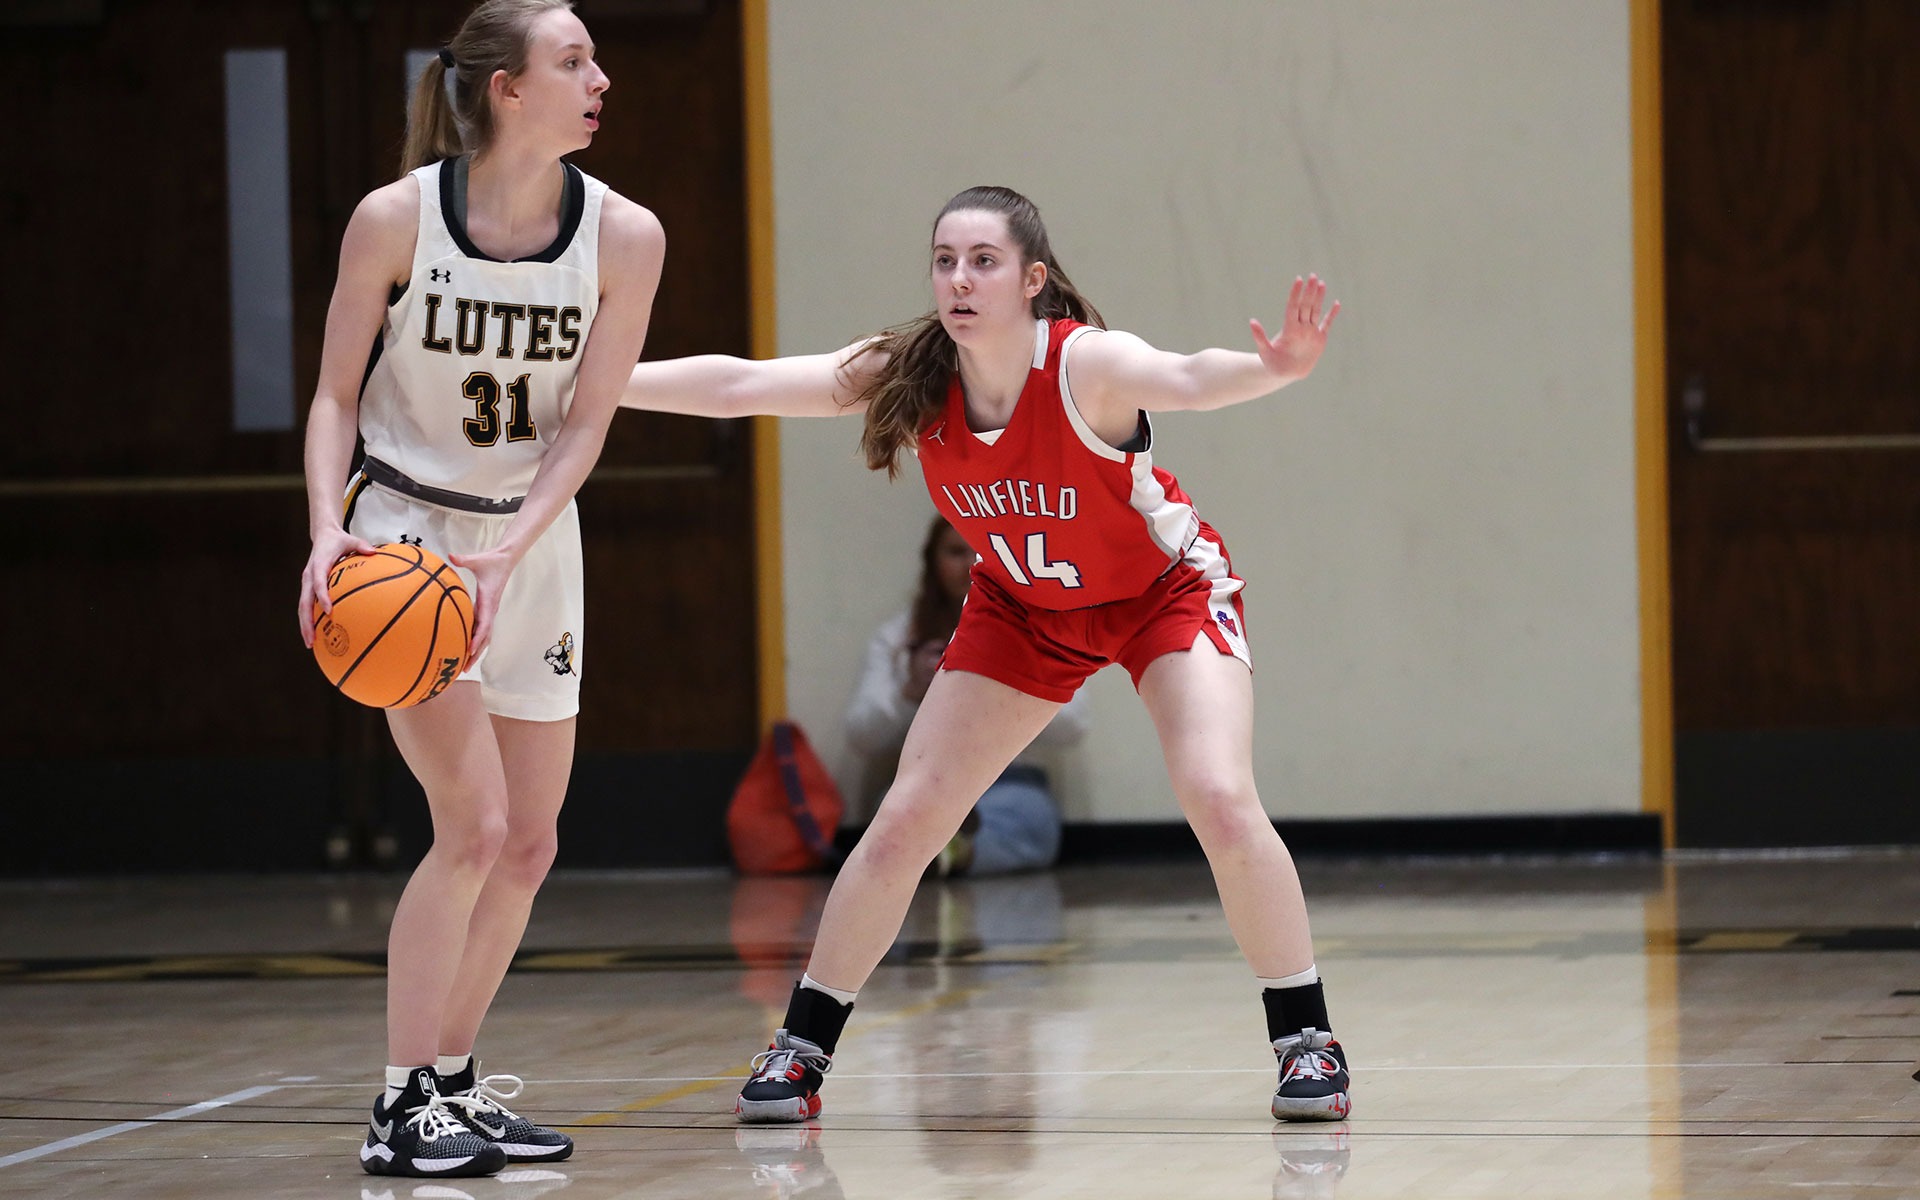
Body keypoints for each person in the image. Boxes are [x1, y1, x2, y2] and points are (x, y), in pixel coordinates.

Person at [619, 185, 1348, 1124]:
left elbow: (1192, 376)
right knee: (908, 816)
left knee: (1215, 791)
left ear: (1032, 280)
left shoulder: (1086, 364)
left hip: (1162, 592)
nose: (959, 279)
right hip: (1023, 608)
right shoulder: (913, 373)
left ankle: (1306, 1040)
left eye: (984, 261)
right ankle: (800, 1049)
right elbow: (744, 385)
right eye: (945, 261)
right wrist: (606, 380)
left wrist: (1276, 367)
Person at [297, 0, 664, 1177]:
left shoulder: (627, 236)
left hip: (533, 548)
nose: (599, 78)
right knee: (474, 826)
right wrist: (323, 534)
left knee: (531, 842)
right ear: (506, 88)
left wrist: (518, 546)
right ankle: (400, 1103)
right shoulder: (395, 218)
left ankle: (451, 1081)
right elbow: (335, 399)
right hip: (402, 542)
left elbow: (591, 419)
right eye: (573, 61)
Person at [846, 514, 1089, 877]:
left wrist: (1011, 681)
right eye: (955, 552)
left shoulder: (1035, 627)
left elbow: (1075, 725)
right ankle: (946, 852)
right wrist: (911, 691)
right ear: (932, 562)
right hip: (927, 780)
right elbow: (861, 735)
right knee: (892, 815)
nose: (970, 564)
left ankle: (949, 856)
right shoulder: (899, 637)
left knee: (1032, 821)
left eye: (981, 550)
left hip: (1009, 785)